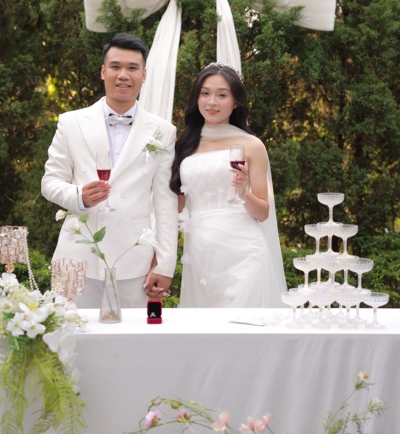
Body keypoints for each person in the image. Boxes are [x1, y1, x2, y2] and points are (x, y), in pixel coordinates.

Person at [42, 33, 178, 308]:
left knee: (131, 335)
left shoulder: (163, 131)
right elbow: (50, 182)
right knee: (72, 332)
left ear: (144, 75)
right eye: (115, 66)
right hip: (76, 257)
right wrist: (79, 196)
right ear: (103, 71)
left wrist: (165, 264)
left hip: (133, 260)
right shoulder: (71, 123)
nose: (123, 75)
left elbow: (166, 203)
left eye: (132, 68)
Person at [170, 62, 287, 308]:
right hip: (200, 255)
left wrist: (243, 193)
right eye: (205, 93)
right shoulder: (185, 145)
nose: (212, 102)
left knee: (244, 325)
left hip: (245, 255)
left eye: (222, 95)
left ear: (235, 103)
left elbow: (262, 213)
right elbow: (176, 208)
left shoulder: (252, 145)